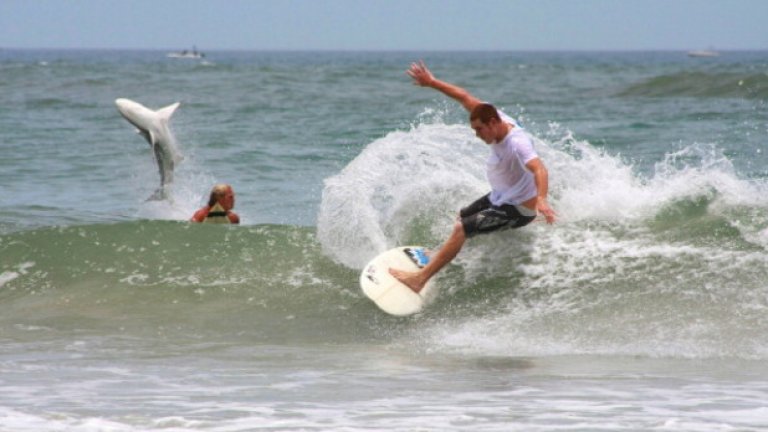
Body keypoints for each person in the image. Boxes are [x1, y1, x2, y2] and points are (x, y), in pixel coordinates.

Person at [389, 61, 556, 293]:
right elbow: (464, 96)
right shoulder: (490, 114)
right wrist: (432, 82)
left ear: (493, 122)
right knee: (463, 217)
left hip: (518, 209)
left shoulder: (518, 143)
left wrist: (542, 199)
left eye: (480, 130)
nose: (477, 135)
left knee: (462, 229)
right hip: (502, 196)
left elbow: (540, 169)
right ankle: (441, 255)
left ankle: (419, 280)